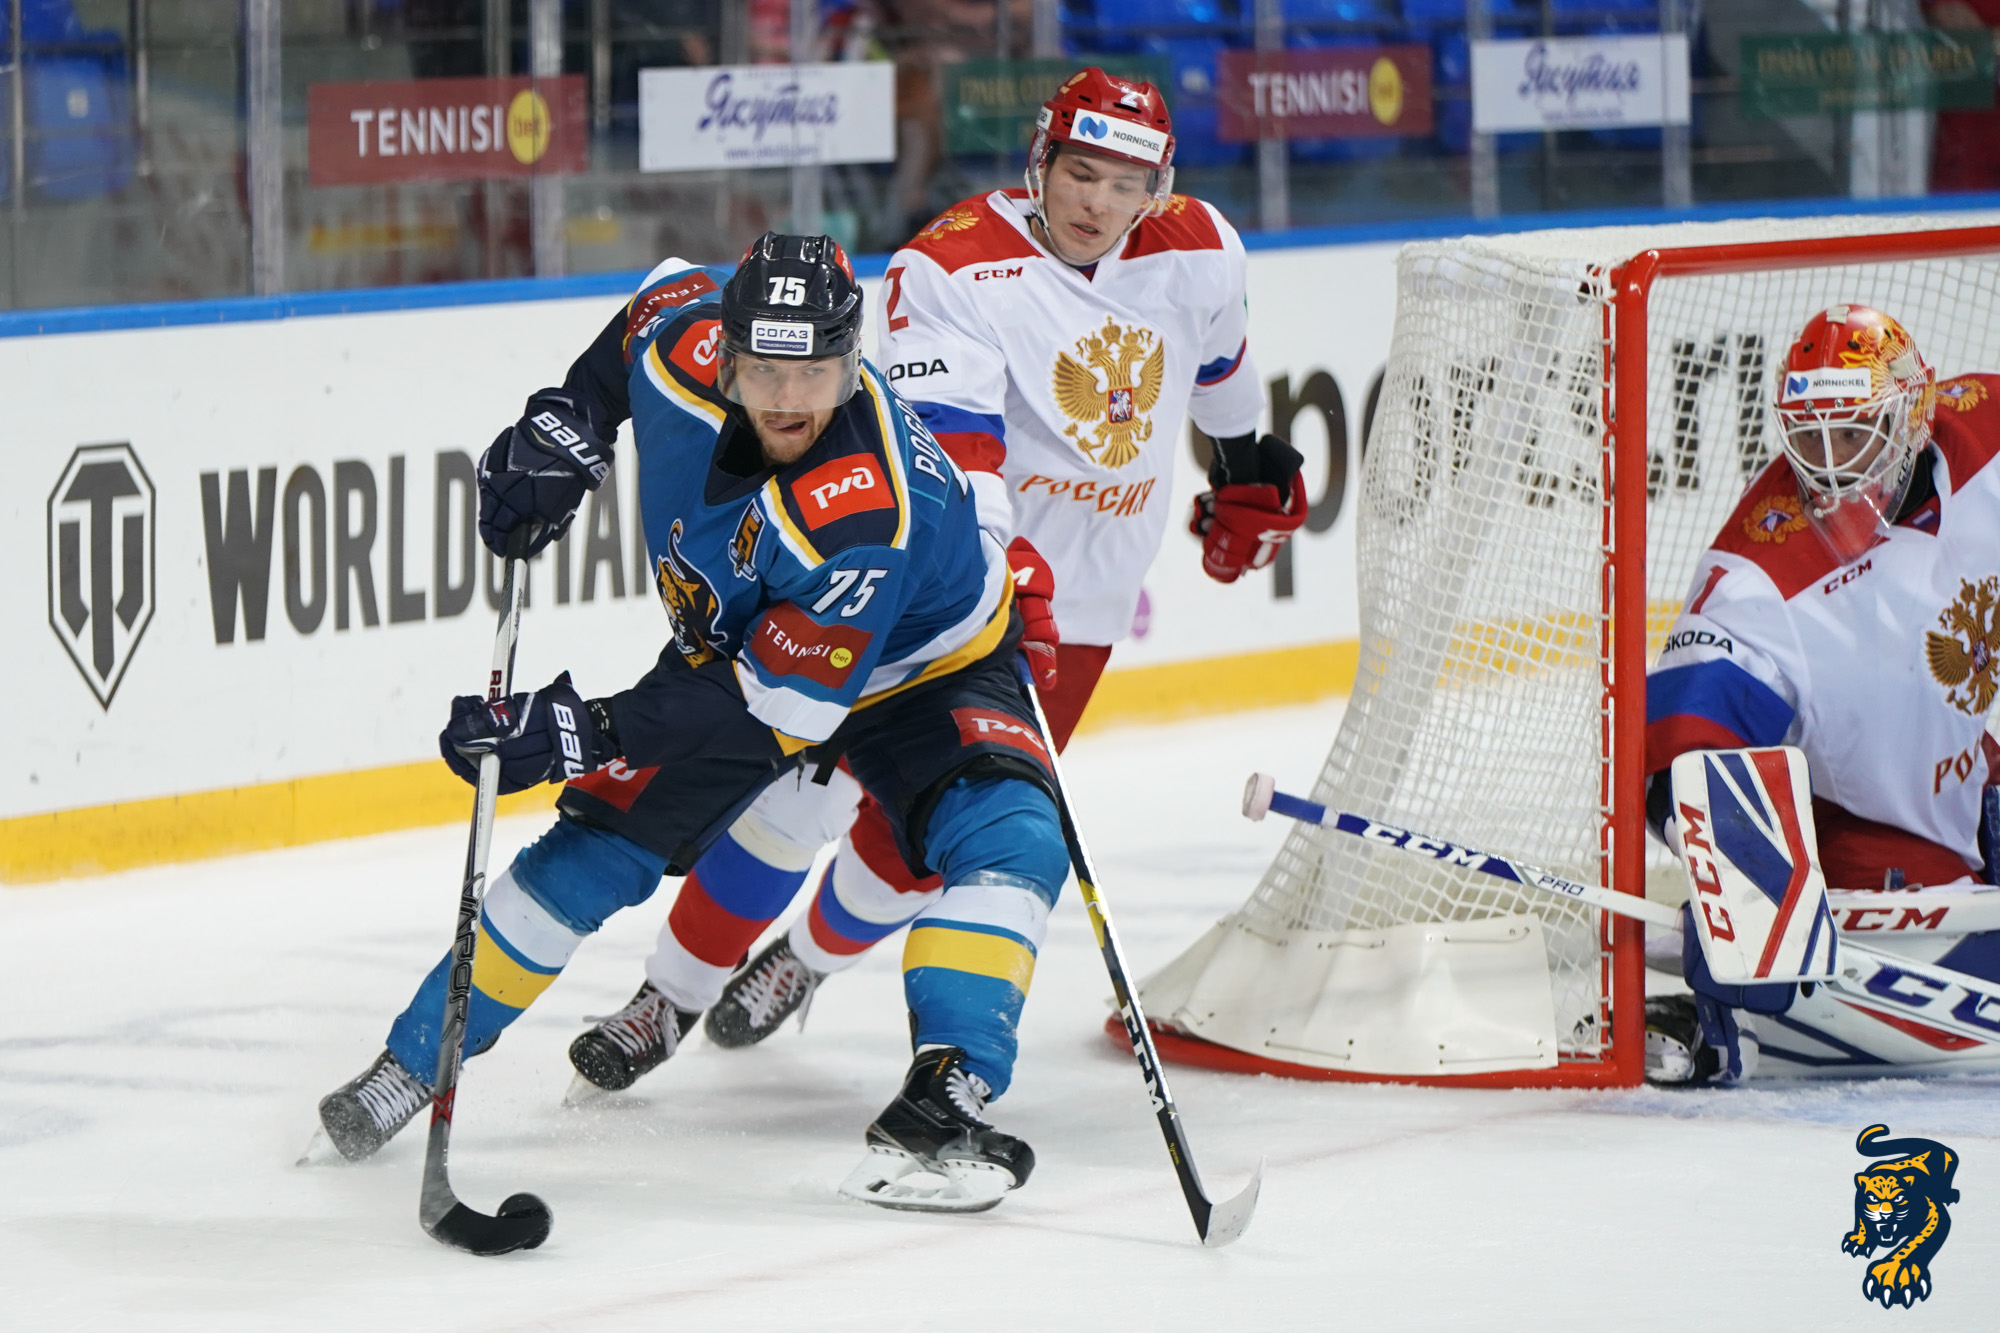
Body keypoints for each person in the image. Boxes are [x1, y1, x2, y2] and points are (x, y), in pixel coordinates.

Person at [564, 67, 1306, 1088]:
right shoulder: (952, 266)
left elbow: (1220, 370)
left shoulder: (1200, 248)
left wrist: (1247, 464)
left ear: (1158, 188)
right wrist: (1000, 566)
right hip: (925, 595)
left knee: (920, 846)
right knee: (797, 803)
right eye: (1079, 173)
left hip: (1081, 613)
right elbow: (954, 455)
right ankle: (671, 994)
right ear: (1039, 162)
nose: (1097, 203)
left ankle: (805, 960)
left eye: (1124, 184)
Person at [313, 232, 1070, 1211]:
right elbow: (649, 305)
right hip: (756, 646)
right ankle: (407, 1067)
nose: (788, 400)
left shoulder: (862, 512)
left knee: (1015, 836)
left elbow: (760, 714)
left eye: (816, 372)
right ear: (724, 351)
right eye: (764, 370)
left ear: (853, 362)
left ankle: (941, 1097)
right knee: (596, 844)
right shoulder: (684, 344)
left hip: (925, 668)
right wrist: (568, 424)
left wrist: (581, 728)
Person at [1644, 303, 2000, 1084]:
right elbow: (1677, 752)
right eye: (1809, 437)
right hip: (1874, 839)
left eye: (1853, 432)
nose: (1829, 467)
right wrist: (1740, 884)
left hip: (1971, 777)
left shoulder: (1985, 434)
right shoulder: (1757, 578)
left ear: (1912, 418)